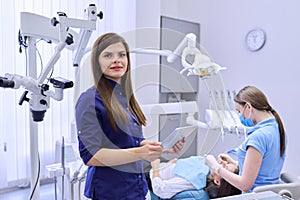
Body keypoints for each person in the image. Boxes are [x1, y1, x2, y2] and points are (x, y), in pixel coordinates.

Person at [75, 32, 184, 200]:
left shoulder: (125, 97)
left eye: (121, 55)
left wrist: (158, 147)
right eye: (108, 55)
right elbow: (91, 156)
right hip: (109, 192)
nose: (117, 60)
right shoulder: (90, 99)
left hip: (136, 188)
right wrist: (140, 153)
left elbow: (128, 141)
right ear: (97, 62)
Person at [205, 85, 287, 193]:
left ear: (248, 107)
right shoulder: (277, 128)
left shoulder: (258, 137)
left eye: (239, 111)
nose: (240, 116)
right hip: (272, 195)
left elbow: (245, 185)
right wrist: (237, 164)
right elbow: (265, 166)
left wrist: (215, 167)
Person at [149, 156, 241, 199]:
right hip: (158, 168)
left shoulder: (194, 181)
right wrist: (172, 163)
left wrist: (155, 168)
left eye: (224, 167)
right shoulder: (204, 165)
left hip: (149, 184)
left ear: (217, 181)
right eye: (228, 162)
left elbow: (159, 189)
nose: (224, 162)